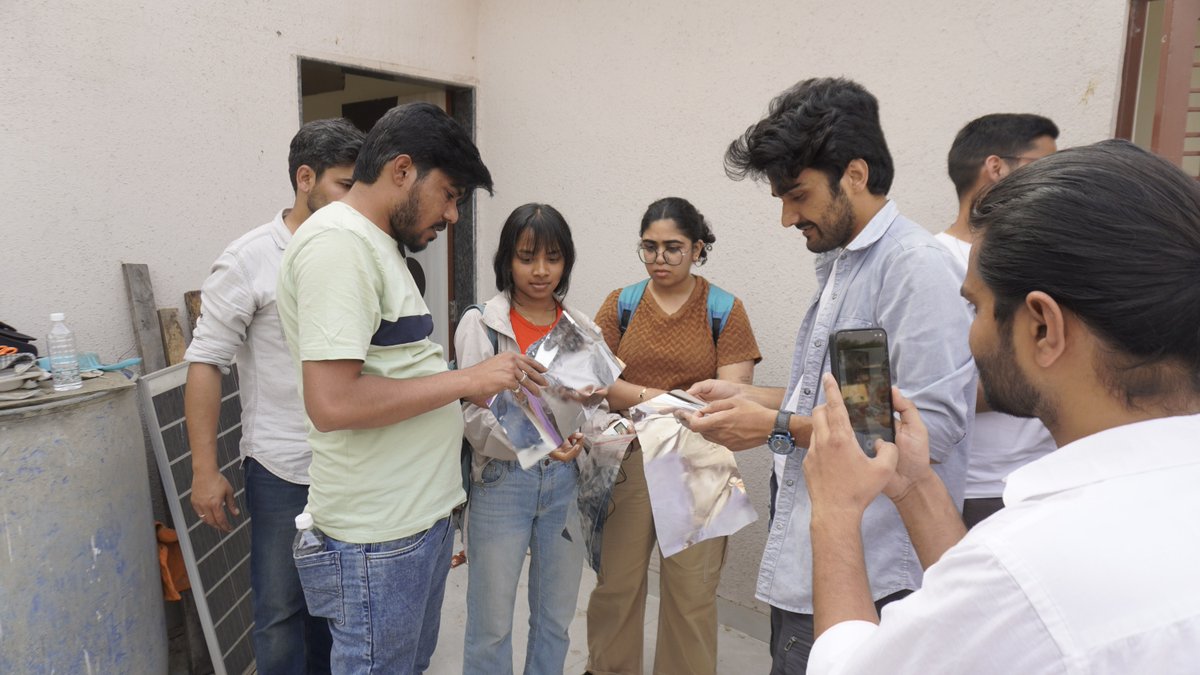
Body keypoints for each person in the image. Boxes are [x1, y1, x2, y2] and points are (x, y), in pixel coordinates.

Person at [802, 139, 1200, 674]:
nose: (971, 334)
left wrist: (833, 511)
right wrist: (916, 484)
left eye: (978, 307)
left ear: (1043, 326)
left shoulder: (1026, 564)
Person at [683, 78, 974, 673]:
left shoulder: (914, 270)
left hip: (873, 576)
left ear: (856, 175)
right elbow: (852, 402)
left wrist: (773, 424)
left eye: (798, 195)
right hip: (820, 561)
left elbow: (928, 432)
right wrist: (751, 395)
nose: (788, 218)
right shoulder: (843, 263)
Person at [276, 102, 548, 674]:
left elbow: (393, 374)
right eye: (449, 195)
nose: (451, 215)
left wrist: (467, 390)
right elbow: (333, 402)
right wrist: (466, 378)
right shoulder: (339, 247)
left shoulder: (377, 246)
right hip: (378, 538)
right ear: (403, 171)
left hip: (412, 526)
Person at [184, 117, 363, 674]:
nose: (351, 200)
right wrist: (204, 470)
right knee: (281, 612)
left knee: (337, 613)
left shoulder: (356, 250)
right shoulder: (250, 258)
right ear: (304, 178)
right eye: (342, 185)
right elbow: (206, 362)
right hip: (283, 468)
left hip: (350, 465)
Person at [585, 196, 761, 675]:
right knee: (617, 584)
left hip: (699, 465)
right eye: (649, 247)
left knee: (691, 594)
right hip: (630, 457)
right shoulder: (622, 304)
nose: (659, 259)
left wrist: (637, 394)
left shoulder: (724, 308)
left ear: (698, 248)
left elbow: (731, 397)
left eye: (673, 248)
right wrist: (672, 398)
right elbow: (600, 382)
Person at [456, 203, 598, 675]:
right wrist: (538, 445)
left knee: (555, 622)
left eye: (553, 257)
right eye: (527, 256)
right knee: (491, 626)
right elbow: (474, 418)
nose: (541, 270)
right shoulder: (482, 324)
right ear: (507, 260)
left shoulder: (580, 329)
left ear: (567, 261)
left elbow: (588, 406)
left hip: (565, 485)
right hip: (501, 483)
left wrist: (592, 433)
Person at [937, 113, 1059, 528]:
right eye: (1043, 165)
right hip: (981, 491)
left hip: (1049, 477)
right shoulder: (935, 264)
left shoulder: (1041, 260)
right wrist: (1055, 380)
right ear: (996, 167)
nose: (1054, 181)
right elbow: (938, 390)